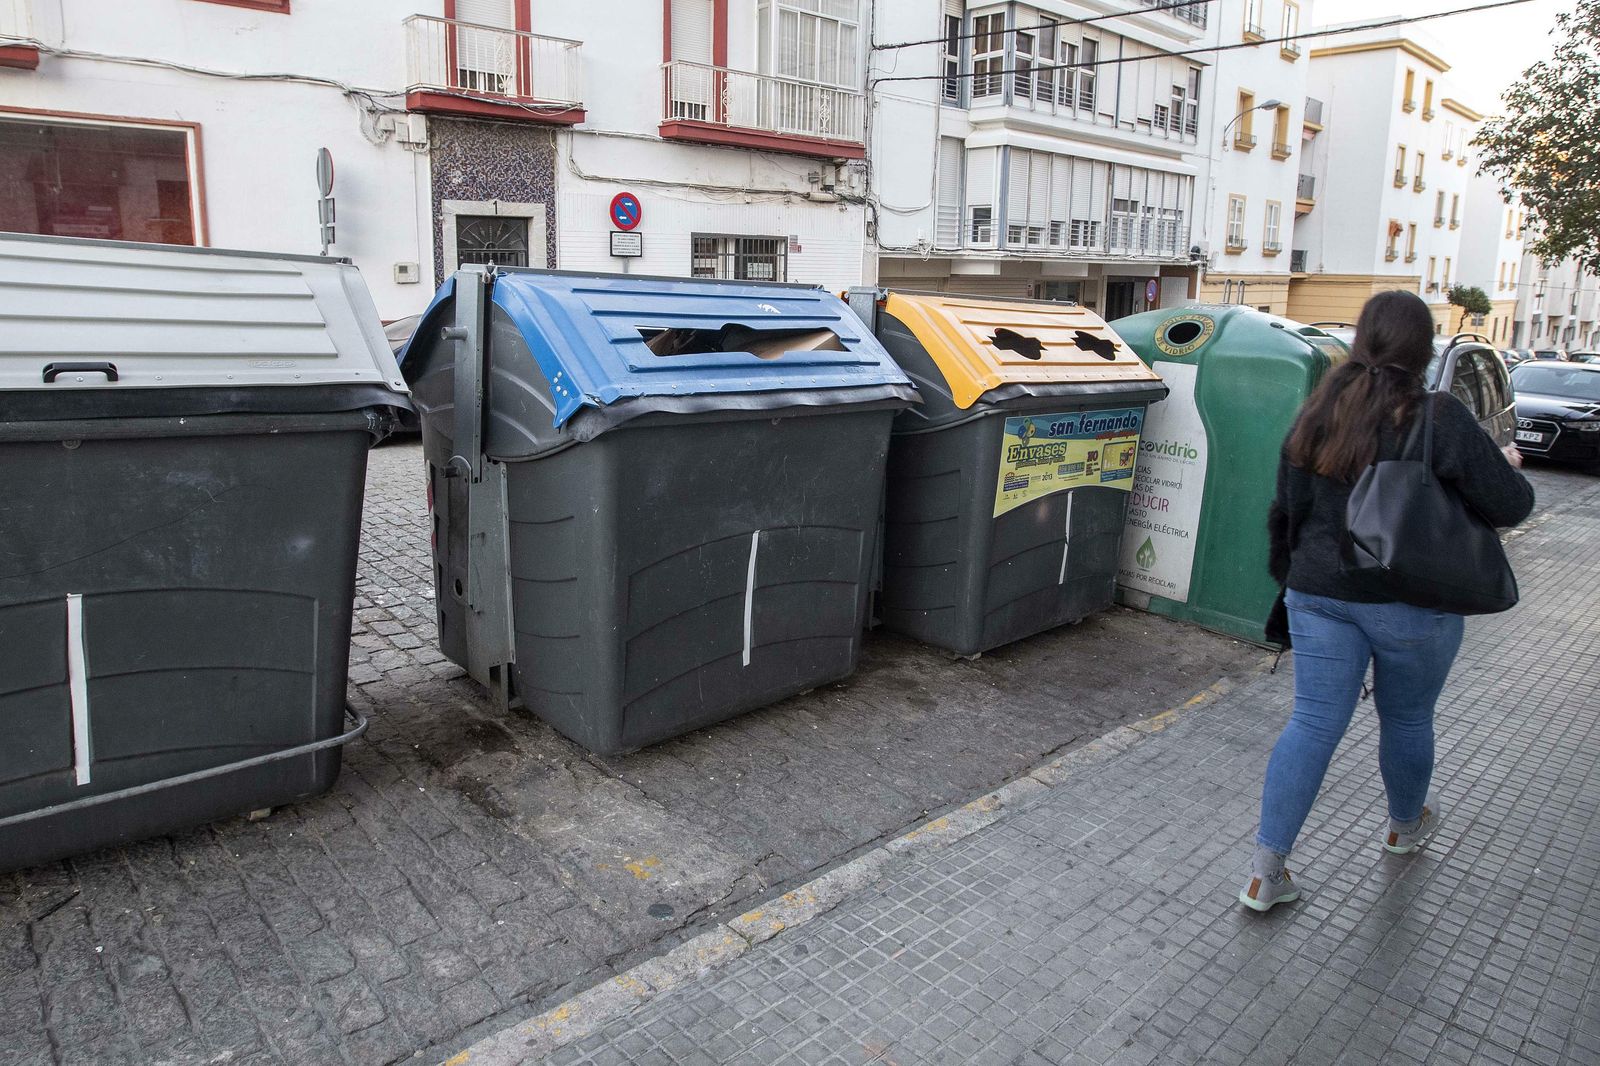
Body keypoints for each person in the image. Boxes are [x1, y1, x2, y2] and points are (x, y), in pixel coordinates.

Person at [1241, 290, 1534, 912]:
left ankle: (1265, 875)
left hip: (1317, 597)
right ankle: (1404, 828)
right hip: (1411, 601)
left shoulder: (1317, 413)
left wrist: (1293, 578)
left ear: (1361, 339)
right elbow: (1512, 505)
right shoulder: (1439, 417)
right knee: (1405, 719)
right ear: (1422, 348)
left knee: (1313, 723)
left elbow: (1287, 513)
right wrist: (1503, 463)